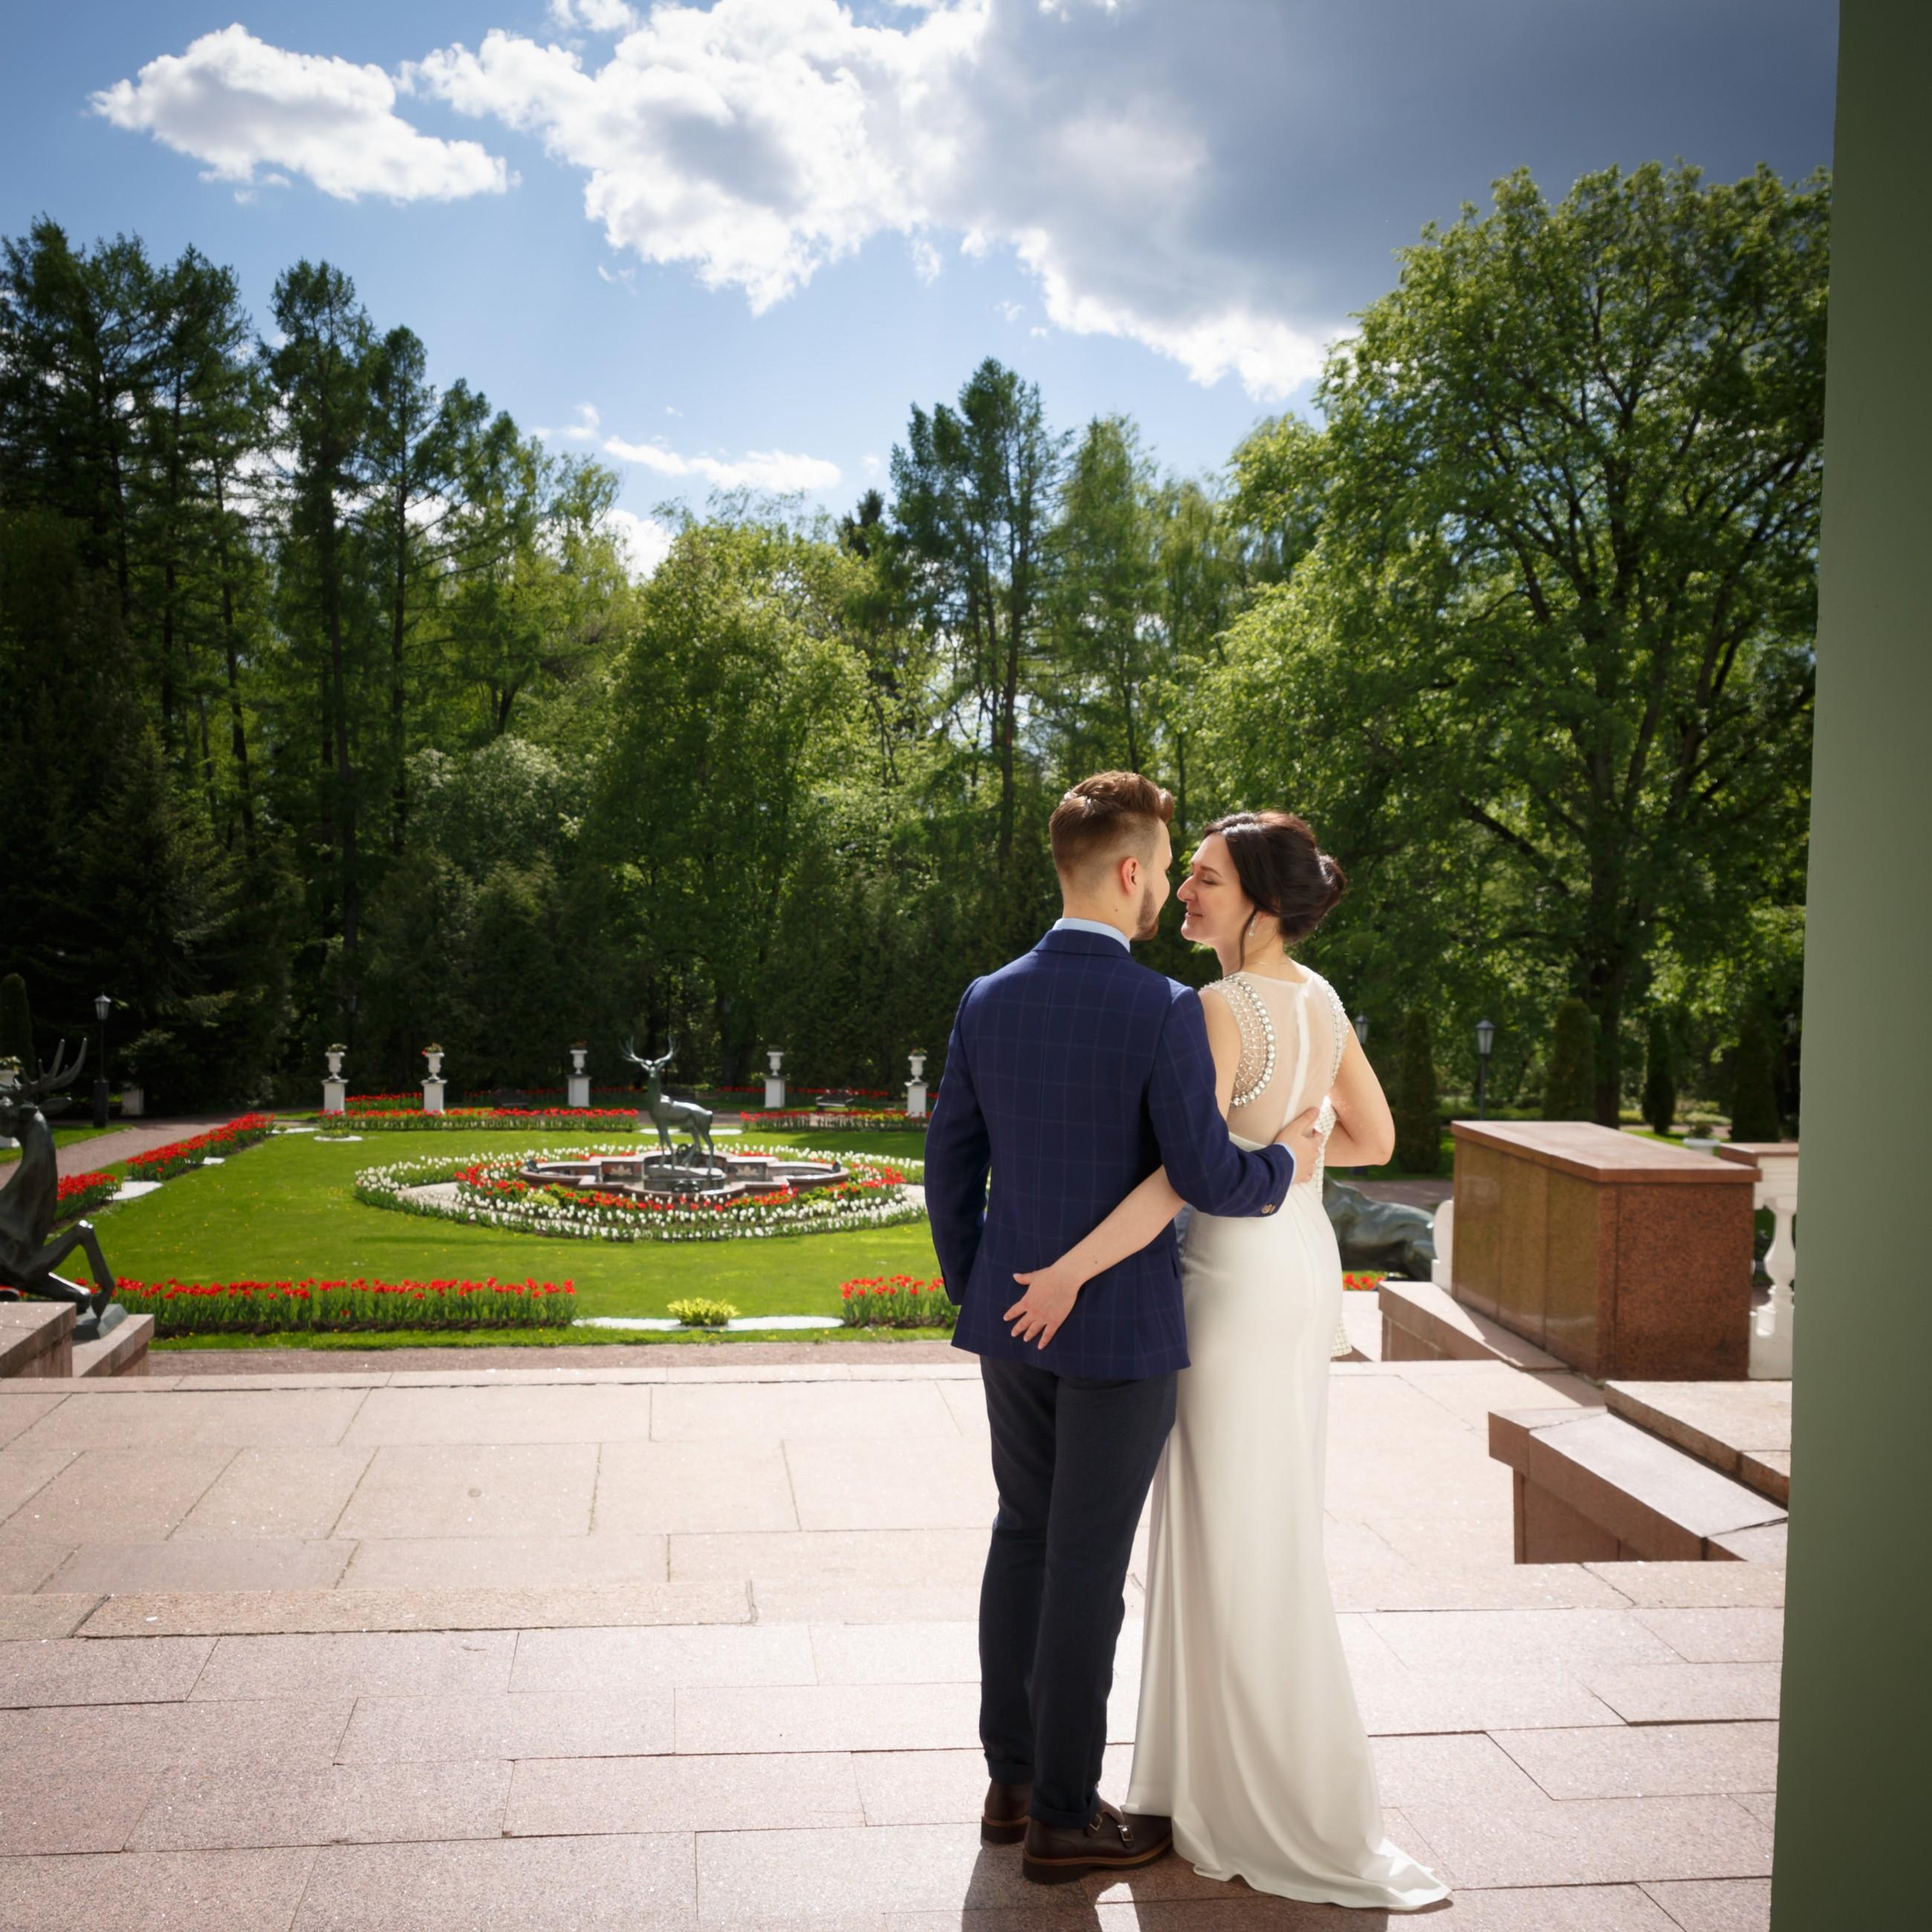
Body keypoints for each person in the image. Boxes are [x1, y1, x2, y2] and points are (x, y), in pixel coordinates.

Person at [1009, 810, 1449, 1910]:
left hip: (1232, 1287)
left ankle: (1236, 1787)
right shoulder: (1323, 999)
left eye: (1205, 880)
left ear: (1257, 898)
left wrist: (1068, 1271)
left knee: (1221, 1530)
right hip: (1299, 1270)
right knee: (1268, 1522)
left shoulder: (1218, 1006)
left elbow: (1181, 1177)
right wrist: (1295, 1153)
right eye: (1187, 875)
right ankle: (1215, 1776)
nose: (1186, 894)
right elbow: (1376, 1140)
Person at [924, 773, 1324, 1886]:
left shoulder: (984, 997)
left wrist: (985, 1291)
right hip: (1125, 1328)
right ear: (1134, 871)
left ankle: (1009, 1784)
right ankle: (1063, 1814)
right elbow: (1200, 1174)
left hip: (1013, 1316)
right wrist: (1289, 1157)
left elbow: (949, 1168)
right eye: (1166, 873)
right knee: (1087, 1567)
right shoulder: (1158, 1008)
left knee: (1022, 1534)